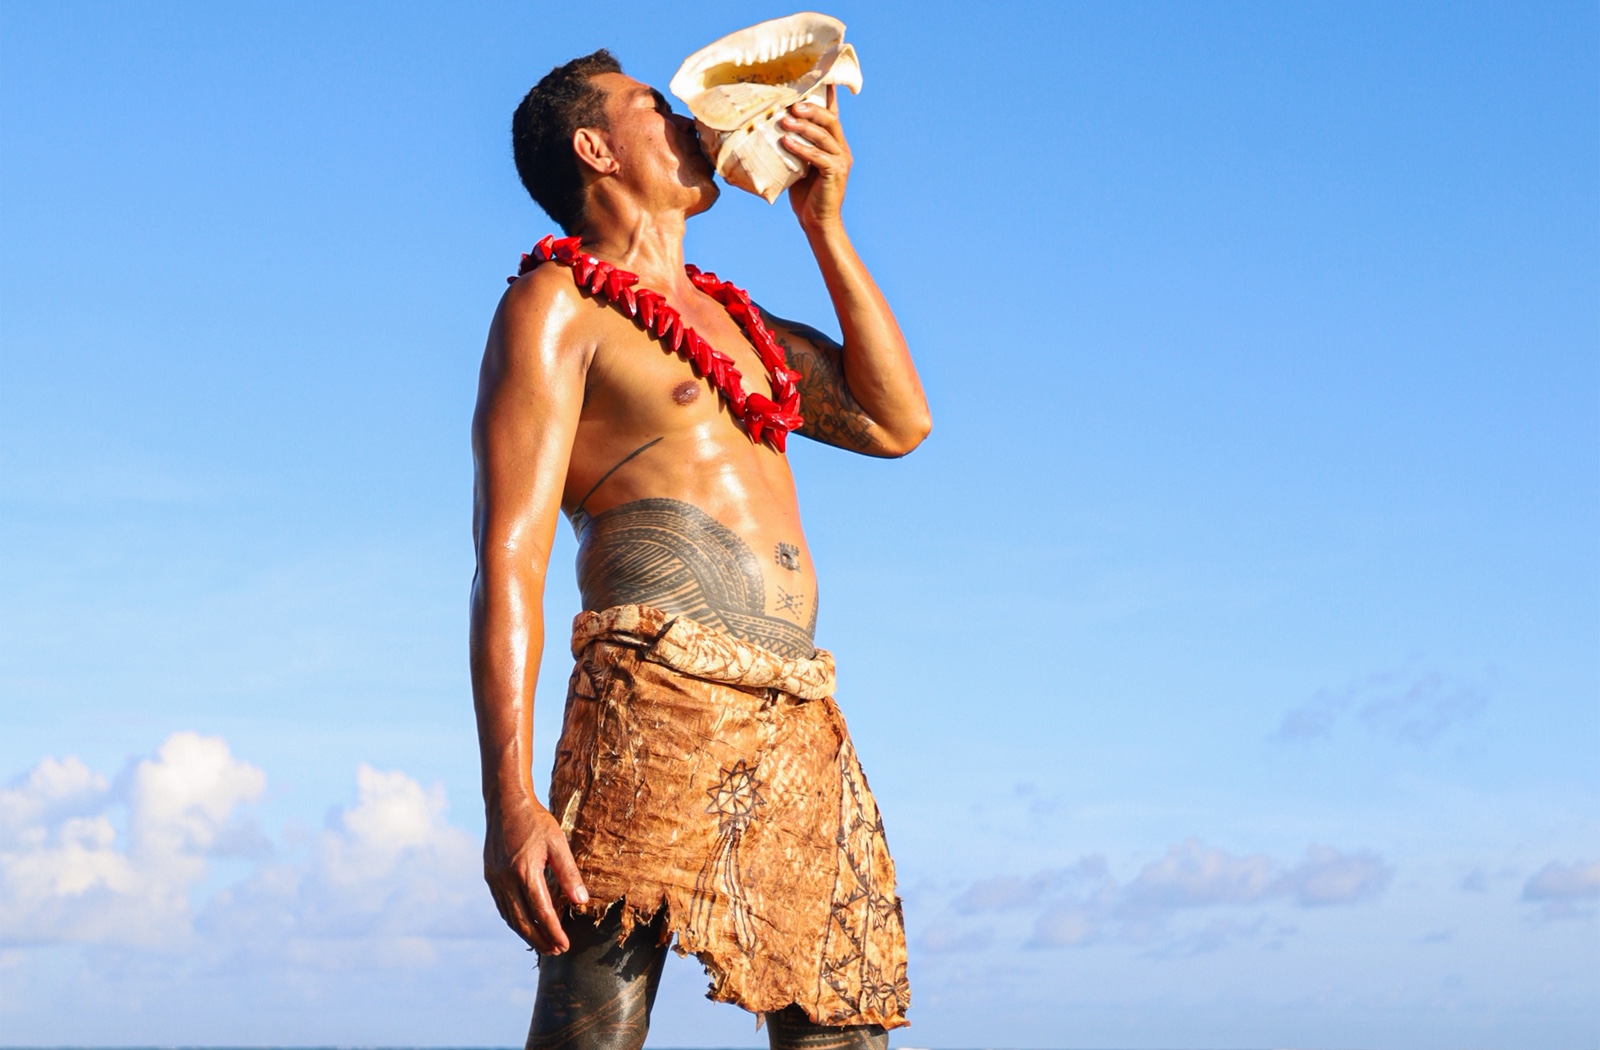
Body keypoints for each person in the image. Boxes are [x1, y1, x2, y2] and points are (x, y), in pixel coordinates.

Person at [470, 49, 931, 1050]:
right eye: (654, 105)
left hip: (796, 714)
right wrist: (511, 800)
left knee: (841, 1025)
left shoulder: (742, 325)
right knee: (595, 1024)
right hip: (650, 696)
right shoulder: (557, 306)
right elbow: (509, 559)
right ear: (595, 149)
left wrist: (823, 226)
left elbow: (898, 422)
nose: (688, 118)